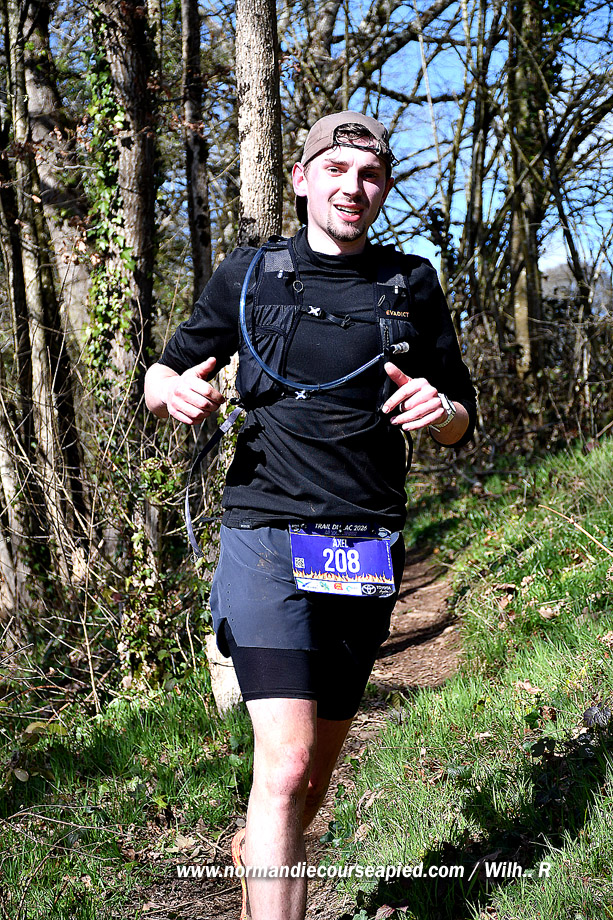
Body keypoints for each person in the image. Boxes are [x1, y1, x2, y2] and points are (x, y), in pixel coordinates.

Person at [144, 110, 476, 920]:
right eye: (334, 170)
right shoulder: (250, 273)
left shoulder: (410, 282)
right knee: (286, 765)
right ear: (301, 179)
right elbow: (163, 371)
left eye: (368, 175)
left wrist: (440, 412)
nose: (351, 188)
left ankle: (255, 850)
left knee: (313, 777)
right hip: (263, 530)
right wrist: (170, 391)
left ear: (383, 188)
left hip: (364, 540)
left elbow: (461, 417)